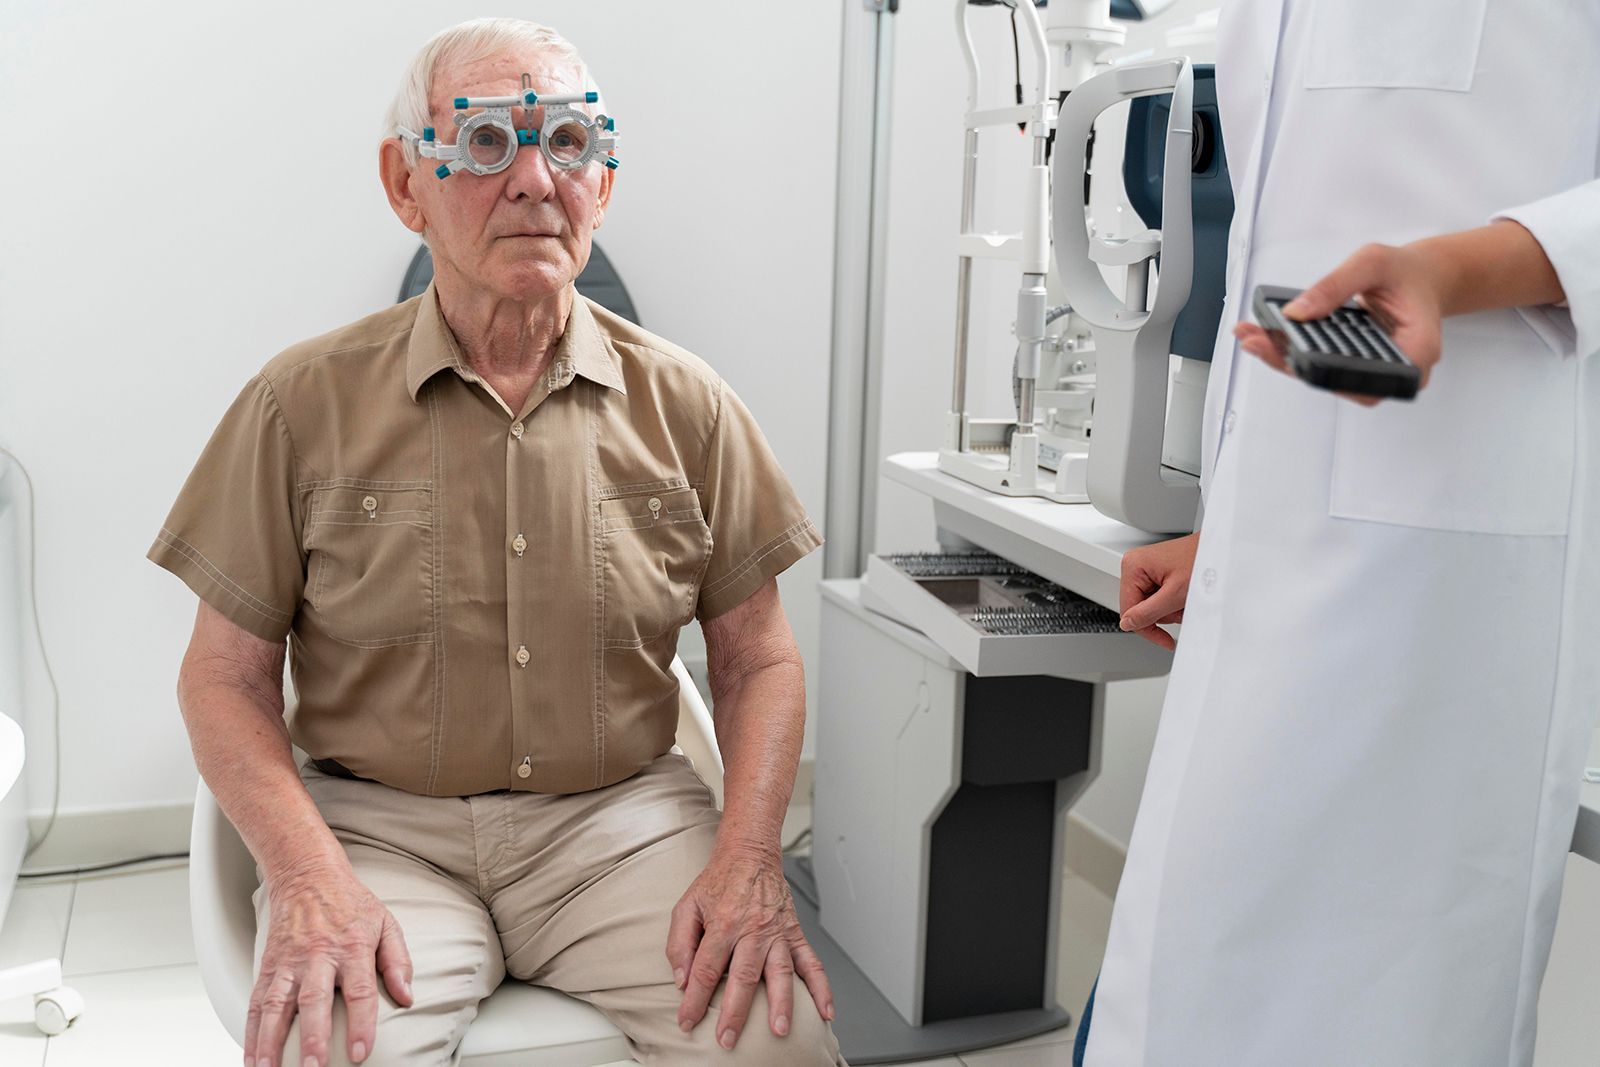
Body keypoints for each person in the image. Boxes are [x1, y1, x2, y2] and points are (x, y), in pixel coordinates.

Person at [149, 18, 844, 1067]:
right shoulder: (298, 406)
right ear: (404, 183)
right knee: (331, 1047)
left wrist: (747, 857)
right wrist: (304, 870)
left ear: (602, 183)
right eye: (483, 143)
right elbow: (221, 677)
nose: (532, 179)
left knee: (776, 1041)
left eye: (568, 142)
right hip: (379, 834)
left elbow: (761, 659)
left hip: (621, 828)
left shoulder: (689, 406)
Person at [1079, 1, 1600, 1063]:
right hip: (1284, 550)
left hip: (1440, 592)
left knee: (1369, 1010)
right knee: (1188, 986)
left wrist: (1456, 269)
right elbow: (1298, 227)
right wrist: (1230, 528)